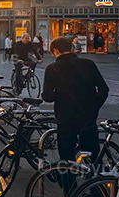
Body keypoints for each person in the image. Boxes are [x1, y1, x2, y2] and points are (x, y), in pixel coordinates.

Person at [42, 36, 109, 164]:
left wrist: (58, 94)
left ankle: (69, 181)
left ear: (55, 50)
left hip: (65, 117)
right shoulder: (88, 64)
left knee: (66, 157)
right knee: (93, 156)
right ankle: (97, 181)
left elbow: (48, 97)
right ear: (71, 48)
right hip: (88, 116)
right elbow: (103, 89)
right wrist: (94, 106)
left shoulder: (52, 68)